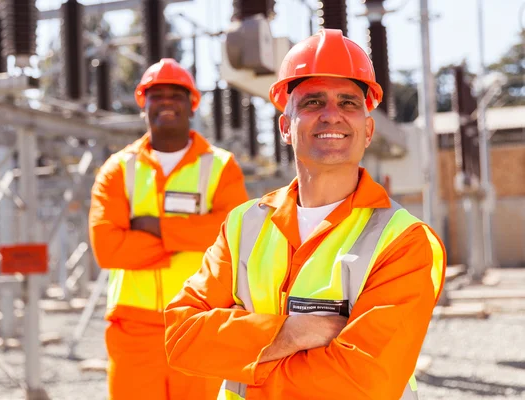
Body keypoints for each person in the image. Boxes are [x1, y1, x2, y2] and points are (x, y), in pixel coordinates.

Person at [164, 29, 446, 400]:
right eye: (313, 102)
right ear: (285, 127)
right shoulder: (242, 225)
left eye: (348, 103)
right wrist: (291, 334)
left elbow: (363, 383)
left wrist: (244, 358)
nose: (332, 115)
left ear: (368, 130)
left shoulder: (405, 242)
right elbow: (182, 337)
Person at [89, 58, 249, 400]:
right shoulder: (117, 169)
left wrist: (155, 228)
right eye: (156, 95)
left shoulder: (221, 167)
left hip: (201, 323)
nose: (165, 102)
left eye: (175, 95)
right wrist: (189, 238)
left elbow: (234, 237)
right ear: (142, 103)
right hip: (133, 330)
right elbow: (107, 248)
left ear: (191, 104)